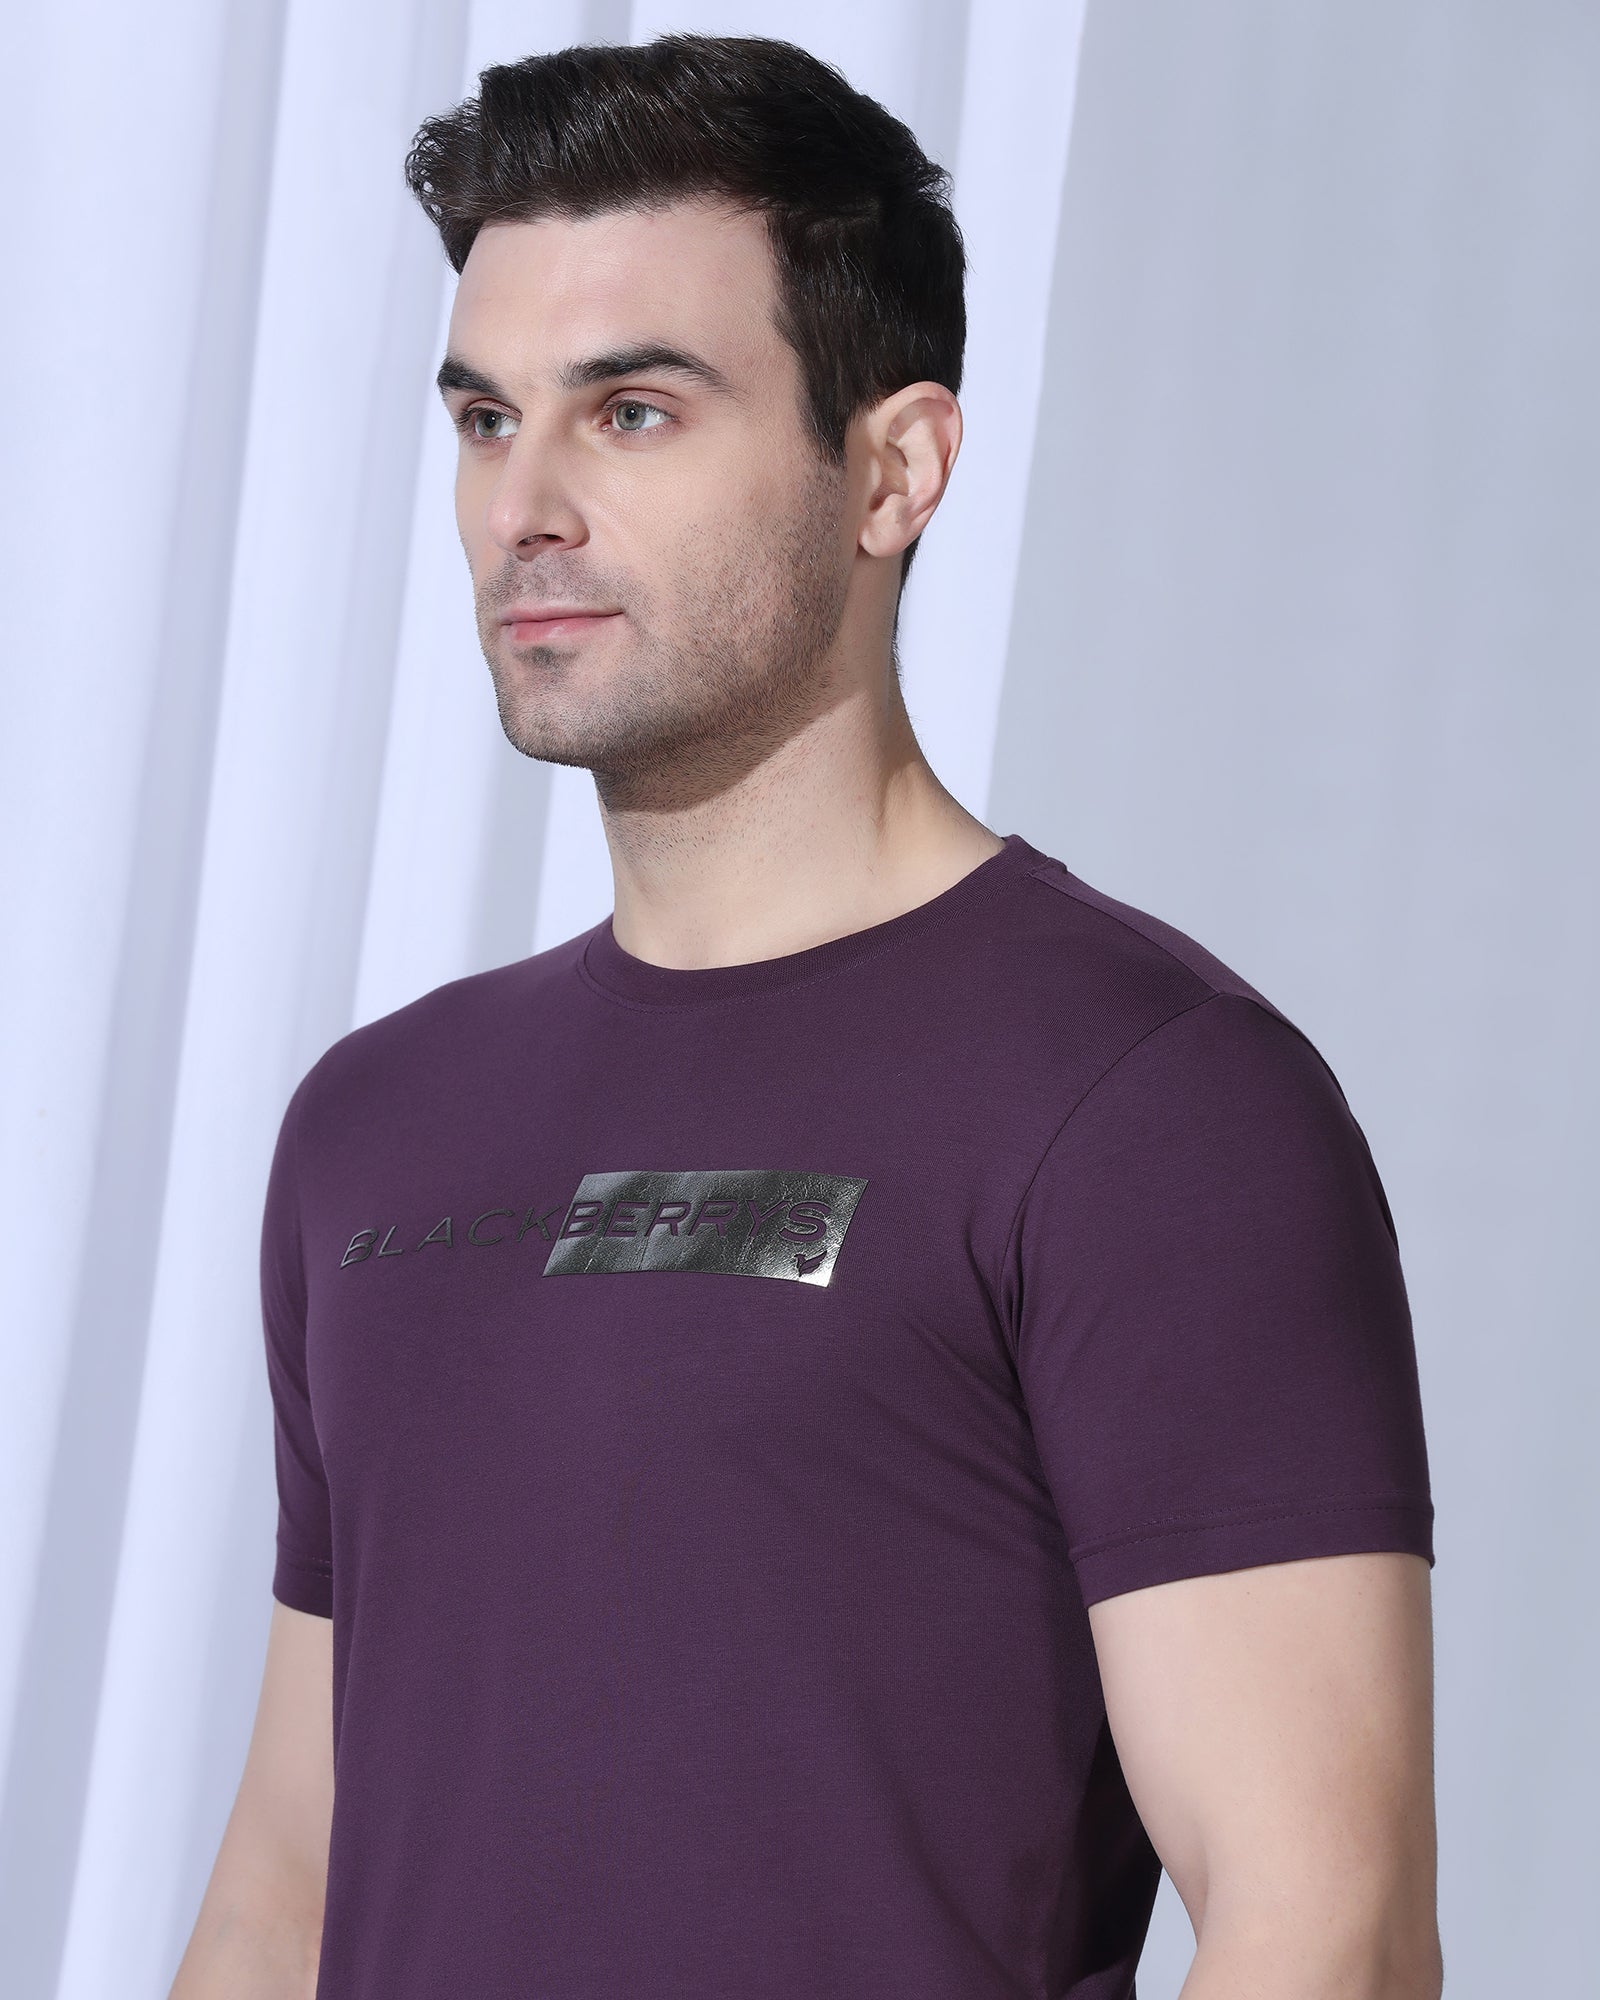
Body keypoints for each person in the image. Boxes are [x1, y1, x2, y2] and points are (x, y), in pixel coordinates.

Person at [172, 32, 1441, 2000]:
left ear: (893, 469)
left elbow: (1326, 1929)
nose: (523, 505)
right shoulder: (377, 1122)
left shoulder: (1148, 1099)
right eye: (487, 418)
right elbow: (284, 1892)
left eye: (633, 412)